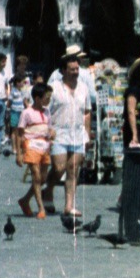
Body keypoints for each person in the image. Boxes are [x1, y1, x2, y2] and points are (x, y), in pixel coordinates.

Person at [47, 52, 93, 226]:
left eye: (77, 69)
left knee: (73, 170)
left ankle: (69, 205)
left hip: (78, 134)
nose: (75, 72)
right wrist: (48, 130)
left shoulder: (83, 88)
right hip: (58, 133)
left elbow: (87, 112)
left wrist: (87, 134)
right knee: (58, 168)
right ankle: (48, 190)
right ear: (63, 70)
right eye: (72, 69)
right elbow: (46, 111)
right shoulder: (54, 88)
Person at [17, 83, 54, 218]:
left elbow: (49, 129)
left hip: (44, 146)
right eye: (47, 97)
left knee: (42, 178)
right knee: (36, 176)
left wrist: (52, 135)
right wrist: (19, 154)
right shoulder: (26, 113)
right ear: (38, 98)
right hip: (31, 145)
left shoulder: (47, 112)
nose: (49, 100)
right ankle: (41, 208)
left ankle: (25, 200)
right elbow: (20, 134)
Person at [7, 55, 32, 164]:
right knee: (14, 129)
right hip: (15, 108)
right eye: (21, 64)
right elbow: (10, 93)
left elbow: (28, 89)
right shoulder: (14, 77)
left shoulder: (27, 78)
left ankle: (22, 147)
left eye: (24, 65)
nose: (22, 67)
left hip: (24, 104)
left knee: (23, 129)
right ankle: (14, 147)